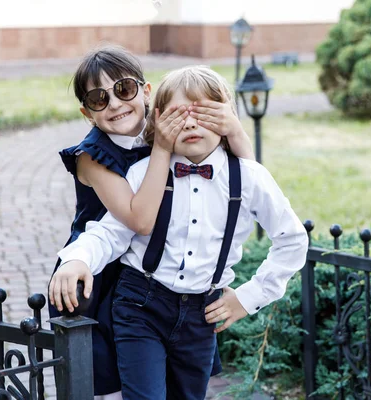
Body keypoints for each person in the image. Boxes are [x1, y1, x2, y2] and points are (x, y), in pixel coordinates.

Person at [50, 65, 308, 399]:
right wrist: (78, 258)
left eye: (202, 114)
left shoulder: (249, 177)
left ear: (226, 117)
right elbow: (112, 232)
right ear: (157, 122)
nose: (189, 123)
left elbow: (292, 239)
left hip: (202, 312)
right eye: (177, 115)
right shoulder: (146, 172)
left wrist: (249, 297)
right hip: (139, 305)